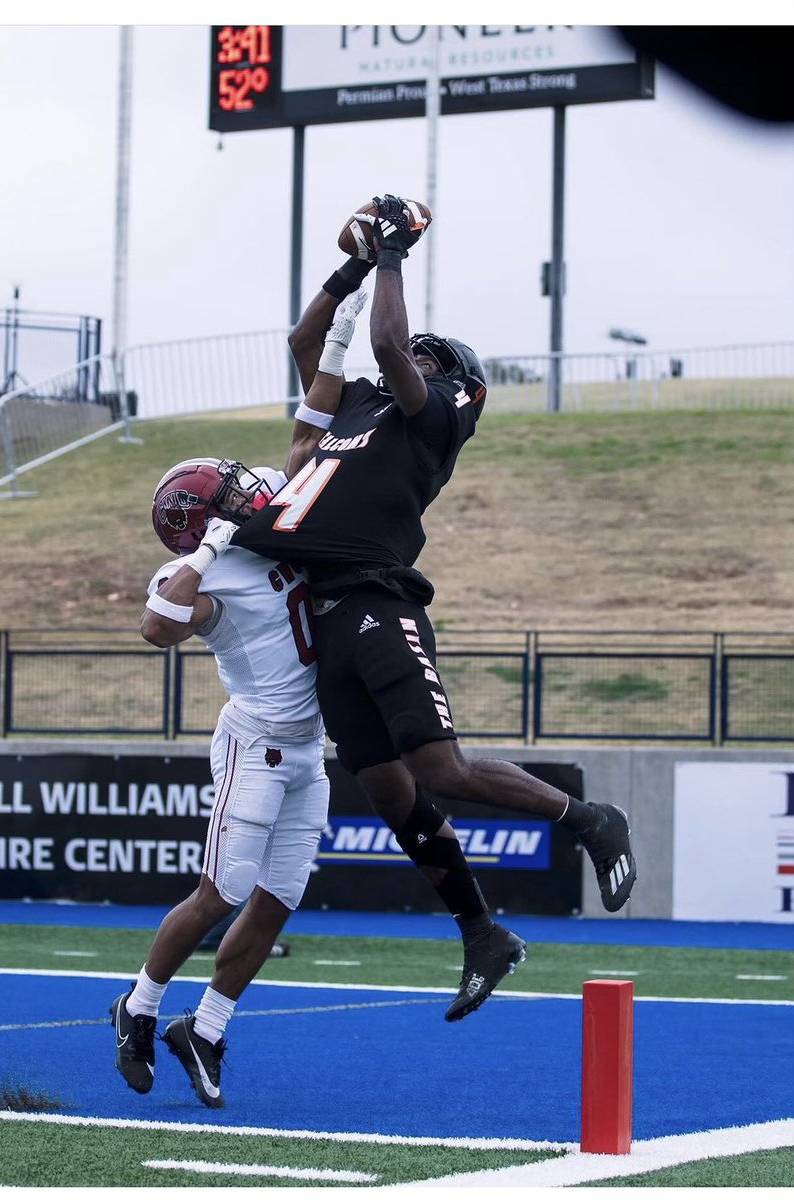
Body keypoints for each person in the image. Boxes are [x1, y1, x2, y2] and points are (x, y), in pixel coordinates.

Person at [231, 194, 638, 1021]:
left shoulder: (437, 416)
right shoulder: (358, 408)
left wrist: (390, 256)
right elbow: (306, 345)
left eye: (420, 354)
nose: (402, 355)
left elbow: (387, 339)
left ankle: (589, 818)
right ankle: (482, 933)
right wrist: (350, 267)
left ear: (451, 377)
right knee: (387, 791)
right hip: (329, 616)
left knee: (440, 770)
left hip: (378, 600)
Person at [110, 450, 335, 1109]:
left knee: (278, 896)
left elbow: (303, 449)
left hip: (307, 750)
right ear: (202, 522)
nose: (245, 494)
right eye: (227, 494)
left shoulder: (268, 521)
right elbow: (157, 627)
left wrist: (333, 349)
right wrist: (209, 549)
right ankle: (139, 1005)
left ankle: (204, 1030)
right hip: (254, 743)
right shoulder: (198, 571)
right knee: (225, 889)